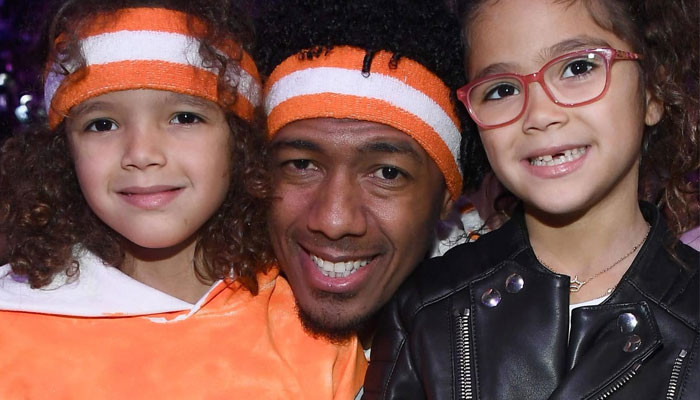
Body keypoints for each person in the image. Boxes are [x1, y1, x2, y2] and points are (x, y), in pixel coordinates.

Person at [0, 1, 364, 398]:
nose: (141, 153)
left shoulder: (312, 326)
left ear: (240, 143)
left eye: (185, 118)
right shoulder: (14, 325)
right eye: (102, 124)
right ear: (64, 154)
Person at [364, 0, 699, 398]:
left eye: (578, 68)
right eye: (502, 90)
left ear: (653, 92)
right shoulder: (425, 309)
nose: (539, 114)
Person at [254, 0, 480, 345]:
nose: (334, 221)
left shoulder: (500, 342)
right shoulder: (195, 319)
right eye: (301, 165)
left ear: (447, 198)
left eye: (388, 173)